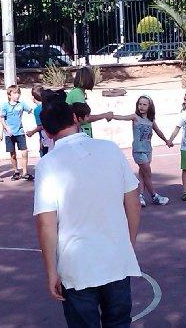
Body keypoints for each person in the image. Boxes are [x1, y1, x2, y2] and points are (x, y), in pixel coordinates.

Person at [33, 100, 141, 328]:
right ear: (75, 118)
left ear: (48, 133)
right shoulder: (110, 149)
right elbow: (133, 202)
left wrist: (51, 271)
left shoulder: (48, 164)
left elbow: (46, 224)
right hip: (116, 258)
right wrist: (128, 243)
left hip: (77, 266)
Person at [112, 95, 174, 207]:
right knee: (147, 174)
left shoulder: (151, 120)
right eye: (140, 104)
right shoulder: (135, 117)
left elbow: (158, 131)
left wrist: (166, 141)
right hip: (139, 151)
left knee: (143, 174)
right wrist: (111, 116)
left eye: (144, 104)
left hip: (148, 150)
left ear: (149, 106)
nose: (141, 106)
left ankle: (140, 196)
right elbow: (123, 117)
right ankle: (154, 196)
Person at [0, 85, 34, 181]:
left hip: (20, 132)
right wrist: (7, 128)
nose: (17, 95)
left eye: (18, 93)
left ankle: (25, 172)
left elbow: (31, 111)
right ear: (9, 95)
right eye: (15, 93)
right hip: (9, 134)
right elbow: (2, 119)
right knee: (13, 154)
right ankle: (16, 172)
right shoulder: (5, 106)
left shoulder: (22, 104)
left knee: (24, 152)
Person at [65, 67, 97, 137]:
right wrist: (105, 115)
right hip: (79, 135)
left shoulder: (78, 93)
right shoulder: (77, 94)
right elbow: (85, 117)